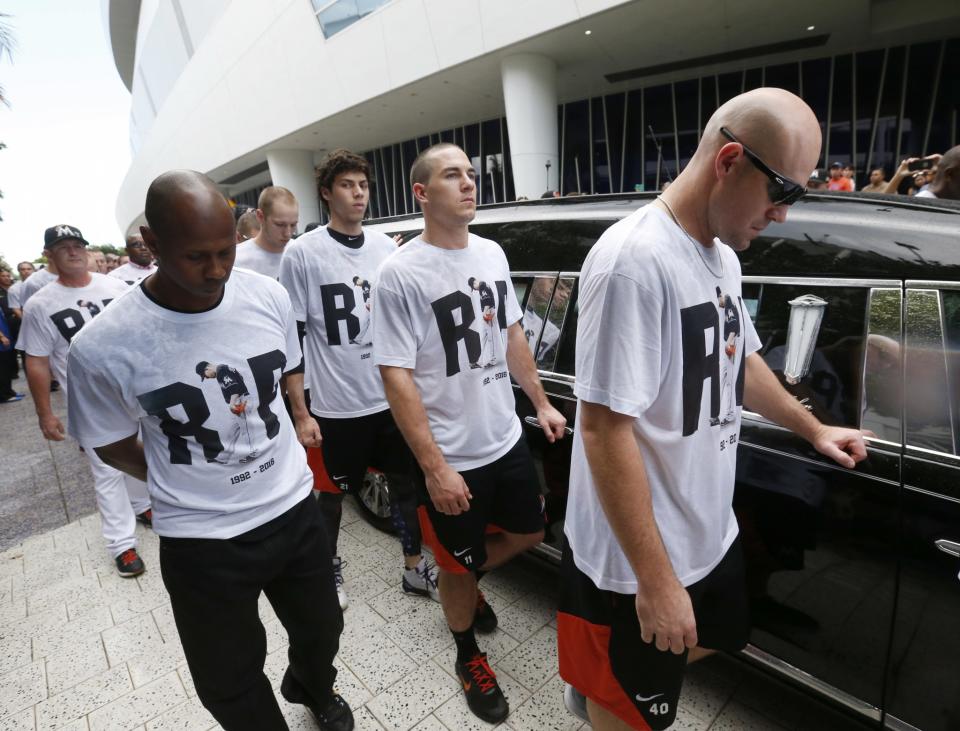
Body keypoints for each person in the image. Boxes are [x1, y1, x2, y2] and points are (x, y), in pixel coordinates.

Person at [557, 88, 868, 731]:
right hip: (635, 564)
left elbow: (741, 362)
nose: (783, 214)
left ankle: (601, 686)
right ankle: (600, 697)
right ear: (729, 160)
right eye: (782, 191)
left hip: (708, 532)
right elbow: (603, 429)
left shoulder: (723, 256)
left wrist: (814, 427)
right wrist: (657, 581)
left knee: (712, 637)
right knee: (632, 709)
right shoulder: (633, 264)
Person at [65, 171, 353, 731]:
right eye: (197, 256)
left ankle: (312, 685)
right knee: (227, 676)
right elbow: (108, 441)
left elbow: (288, 366)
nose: (218, 270)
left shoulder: (267, 295)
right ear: (151, 242)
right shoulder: (103, 345)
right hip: (201, 539)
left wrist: (298, 417)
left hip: (292, 509)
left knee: (323, 630)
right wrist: (184, 477)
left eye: (226, 251)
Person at [372, 142, 567, 724]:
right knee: (457, 566)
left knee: (531, 532)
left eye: (472, 174)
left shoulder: (491, 253)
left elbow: (511, 336)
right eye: (452, 175)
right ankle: (466, 651)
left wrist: (540, 400)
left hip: (503, 437)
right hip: (451, 452)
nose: (468, 183)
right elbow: (396, 376)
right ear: (422, 194)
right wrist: (434, 467)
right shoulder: (400, 274)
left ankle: (461, 575)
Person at [280, 148, 439, 611]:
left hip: (388, 399)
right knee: (330, 498)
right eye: (347, 185)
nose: (358, 194)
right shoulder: (302, 254)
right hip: (336, 404)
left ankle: (414, 568)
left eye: (363, 185)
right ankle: (327, 569)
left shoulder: (386, 247)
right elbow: (294, 335)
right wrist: (301, 410)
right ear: (327, 193)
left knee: (405, 488)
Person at [18, 224, 152, 577]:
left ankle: (142, 505)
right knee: (107, 471)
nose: (74, 252)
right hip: (91, 403)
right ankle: (121, 545)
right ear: (49, 255)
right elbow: (36, 360)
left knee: (144, 452)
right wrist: (45, 413)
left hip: (132, 390)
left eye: (78, 245)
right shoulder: (40, 304)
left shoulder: (115, 286)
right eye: (64, 247)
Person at [234, 186, 298, 279]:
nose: (287, 233)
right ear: (260, 216)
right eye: (280, 225)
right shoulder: (236, 259)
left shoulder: (301, 252)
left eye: (293, 225)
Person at [0, 268, 21, 402]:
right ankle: (5, 395)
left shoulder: (13, 290)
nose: (7, 278)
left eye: (8, 275)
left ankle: (9, 392)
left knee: (7, 364)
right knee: (3, 366)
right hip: (3, 335)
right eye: (3, 276)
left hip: (8, 331)